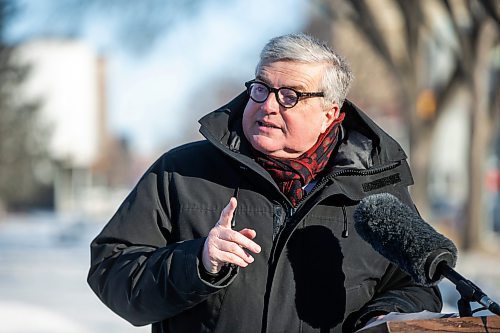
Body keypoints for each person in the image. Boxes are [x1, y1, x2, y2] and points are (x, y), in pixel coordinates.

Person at [87, 33, 442, 333]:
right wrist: (197, 263)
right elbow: (111, 270)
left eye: (291, 96)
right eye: (262, 89)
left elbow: (416, 286)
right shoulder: (181, 172)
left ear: (329, 115)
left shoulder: (375, 186)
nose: (268, 105)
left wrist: (381, 318)